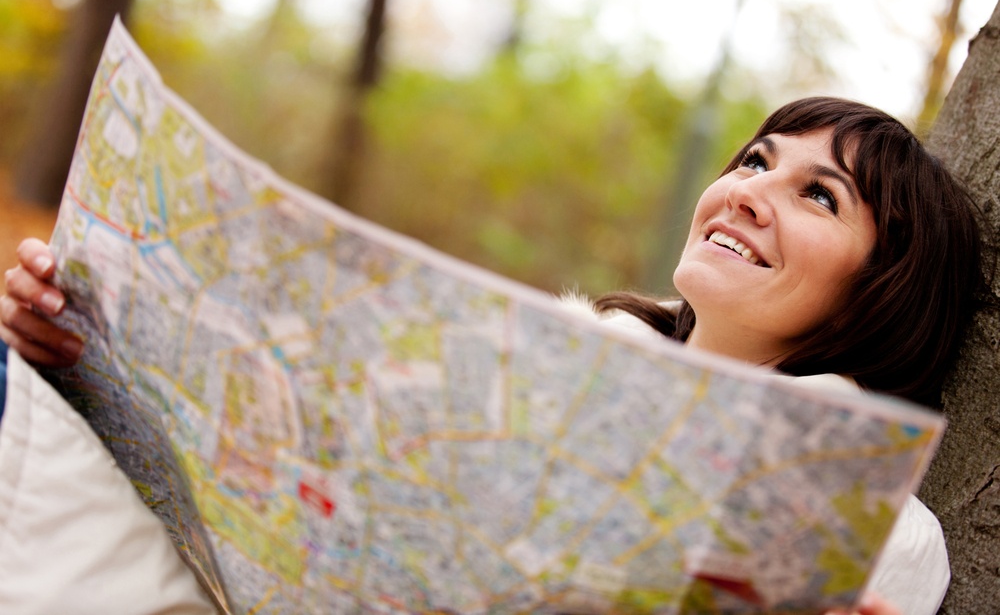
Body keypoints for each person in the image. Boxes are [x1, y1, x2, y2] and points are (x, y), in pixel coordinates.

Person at [0, 96, 981, 615]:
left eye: (820, 196)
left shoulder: (883, 532)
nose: (750, 190)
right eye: (756, 159)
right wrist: (77, 356)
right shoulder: (535, 368)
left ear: (884, 287)